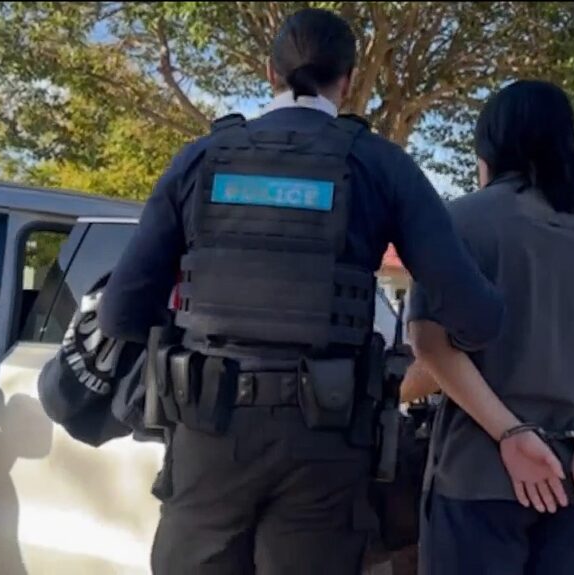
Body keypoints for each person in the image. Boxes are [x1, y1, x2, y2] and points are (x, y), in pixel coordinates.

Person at [97, 8, 504, 575]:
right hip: (326, 440)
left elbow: (120, 314)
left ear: (270, 72)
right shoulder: (379, 165)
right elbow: (477, 316)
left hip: (206, 431)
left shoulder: (200, 158)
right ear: (349, 79)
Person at [403, 80, 574, 575]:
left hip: (474, 478)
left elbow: (431, 344)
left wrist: (511, 433)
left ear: (491, 148)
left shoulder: (457, 223)